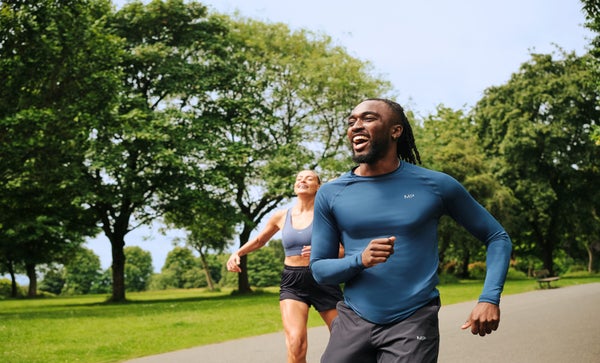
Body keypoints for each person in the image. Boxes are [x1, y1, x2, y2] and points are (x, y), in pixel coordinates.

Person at [310, 98, 512, 363]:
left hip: (413, 319)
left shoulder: (436, 185)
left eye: (368, 118)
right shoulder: (330, 193)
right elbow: (319, 270)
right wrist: (360, 260)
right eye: (351, 121)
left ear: (396, 130)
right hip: (353, 319)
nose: (356, 126)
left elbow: (497, 237)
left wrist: (489, 298)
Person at [226, 170, 344, 363]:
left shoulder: (328, 215)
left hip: (322, 278)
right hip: (293, 282)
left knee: (343, 339)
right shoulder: (281, 216)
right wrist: (237, 253)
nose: (302, 180)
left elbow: (344, 251)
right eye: (298, 178)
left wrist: (322, 251)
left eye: (308, 178)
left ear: (318, 186)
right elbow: (259, 240)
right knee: (295, 343)